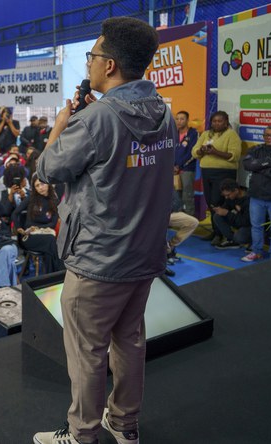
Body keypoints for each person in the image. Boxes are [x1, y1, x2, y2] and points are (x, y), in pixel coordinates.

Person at [33, 18, 173, 444]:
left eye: (93, 56)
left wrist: (62, 123)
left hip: (97, 261)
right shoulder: (164, 112)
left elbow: (46, 169)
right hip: (144, 255)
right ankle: (124, 423)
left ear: (109, 65)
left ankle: (82, 434)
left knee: (87, 354)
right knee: (129, 342)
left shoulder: (93, 120)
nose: (90, 63)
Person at [191, 111, 242, 244]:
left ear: (226, 122)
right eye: (214, 121)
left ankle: (221, 234)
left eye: (220, 121)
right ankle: (215, 231)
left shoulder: (231, 135)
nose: (216, 123)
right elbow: (194, 151)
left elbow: (234, 155)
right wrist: (201, 150)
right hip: (207, 172)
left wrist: (214, 152)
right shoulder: (206, 134)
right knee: (210, 202)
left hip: (223, 173)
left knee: (217, 201)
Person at [14, 176, 65, 274]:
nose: (40, 187)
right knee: (52, 241)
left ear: (48, 184)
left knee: (50, 247)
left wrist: (37, 228)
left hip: (46, 235)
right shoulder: (31, 199)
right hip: (28, 236)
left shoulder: (54, 201)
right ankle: (60, 274)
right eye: (37, 185)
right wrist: (19, 227)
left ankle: (53, 276)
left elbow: (53, 224)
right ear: (34, 188)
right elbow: (15, 213)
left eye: (42, 184)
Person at [240, 125, 271, 262]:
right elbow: (248, 165)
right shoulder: (256, 149)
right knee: (256, 226)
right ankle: (256, 251)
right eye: (267, 135)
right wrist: (270, 162)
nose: (269, 138)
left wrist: (259, 167)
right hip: (256, 197)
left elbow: (255, 167)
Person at [211, 179, 251, 250]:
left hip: (249, 225)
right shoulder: (231, 197)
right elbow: (226, 207)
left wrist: (227, 213)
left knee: (239, 237)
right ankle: (232, 240)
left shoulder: (249, 200)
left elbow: (245, 222)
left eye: (228, 195)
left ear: (236, 190)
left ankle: (253, 242)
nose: (226, 197)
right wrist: (219, 209)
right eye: (225, 195)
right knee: (217, 216)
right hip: (239, 221)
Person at [174, 110, 199, 216]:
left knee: (187, 195)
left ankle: (190, 221)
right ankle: (179, 218)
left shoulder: (193, 134)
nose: (179, 121)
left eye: (182, 119)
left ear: (187, 120)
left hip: (187, 168)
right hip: (173, 170)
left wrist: (179, 166)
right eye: (177, 119)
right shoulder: (173, 133)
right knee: (176, 195)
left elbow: (192, 153)